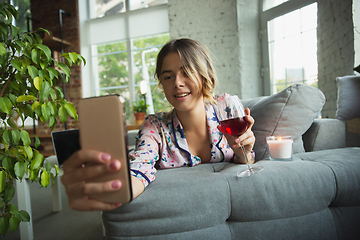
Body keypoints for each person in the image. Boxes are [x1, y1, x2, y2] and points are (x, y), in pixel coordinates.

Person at [61, 38, 256, 211]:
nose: (177, 83)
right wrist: (118, 191)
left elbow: (244, 160)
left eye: (186, 72)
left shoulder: (226, 110)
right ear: (162, 84)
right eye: (168, 76)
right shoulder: (154, 126)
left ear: (206, 76)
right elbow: (140, 168)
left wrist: (244, 150)